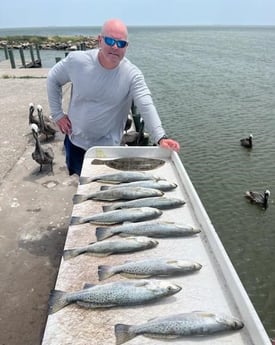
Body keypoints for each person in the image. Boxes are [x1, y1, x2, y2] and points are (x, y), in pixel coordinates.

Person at [47, 18, 180, 176]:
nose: (115, 47)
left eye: (121, 43)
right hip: (76, 142)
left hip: (108, 149)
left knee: (106, 185)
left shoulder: (132, 75)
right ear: (100, 40)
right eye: (110, 40)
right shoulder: (77, 61)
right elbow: (53, 79)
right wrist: (57, 114)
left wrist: (160, 137)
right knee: (79, 181)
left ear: (126, 47)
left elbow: (146, 104)